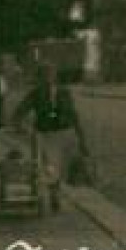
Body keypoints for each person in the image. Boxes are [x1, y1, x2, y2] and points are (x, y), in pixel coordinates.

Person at [11, 64, 89, 212]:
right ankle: (54, 195)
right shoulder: (35, 94)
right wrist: (18, 126)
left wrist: (81, 137)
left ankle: (57, 190)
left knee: (63, 167)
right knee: (51, 167)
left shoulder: (64, 92)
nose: (48, 79)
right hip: (46, 135)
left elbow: (73, 114)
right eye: (44, 75)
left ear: (55, 77)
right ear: (39, 78)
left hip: (64, 133)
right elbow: (20, 110)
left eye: (50, 75)